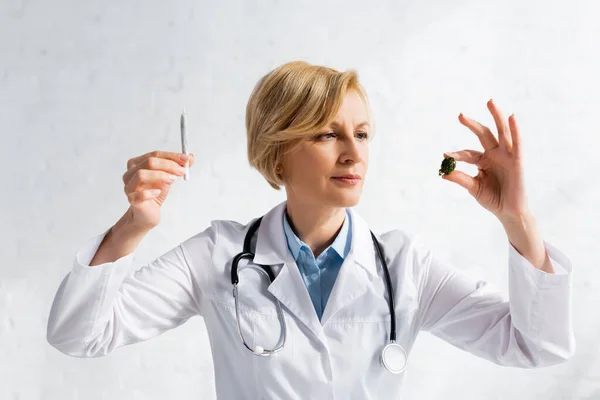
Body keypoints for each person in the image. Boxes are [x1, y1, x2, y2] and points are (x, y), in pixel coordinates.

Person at [46, 60, 575, 399]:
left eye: (362, 133)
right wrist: (132, 229)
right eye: (327, 134)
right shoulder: (217, 256)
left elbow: (537, 347)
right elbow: (78, 334)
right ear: (277, 154)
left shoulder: (405, 267)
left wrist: (519, 221)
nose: (353, 152)